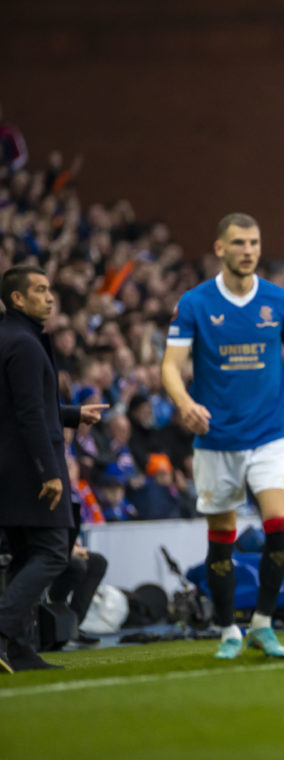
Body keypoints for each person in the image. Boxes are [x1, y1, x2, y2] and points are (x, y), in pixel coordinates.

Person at [162, 213, 284, 659]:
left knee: (278, 529)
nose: (248, 250)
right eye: (238, 242)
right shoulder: (194, 304)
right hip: (217, 439)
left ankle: (263, 624)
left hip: (270, 434)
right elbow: (170, 367)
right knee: (222, 537)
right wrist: (184, 403)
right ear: (220, 248)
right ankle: (228, 628)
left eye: (253, 242)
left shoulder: (281, 301)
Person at [0, 264, 106, 673]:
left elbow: (20, 409)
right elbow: (27, 415)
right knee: (52, 552)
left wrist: (73, 413)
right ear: (17, 299)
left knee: (27, 555)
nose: (50, 297)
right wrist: (48, 470)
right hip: (32, 469)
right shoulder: (25, 345)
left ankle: (21, 651)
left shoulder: (10, 338)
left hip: (10, 468)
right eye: (40, 290)